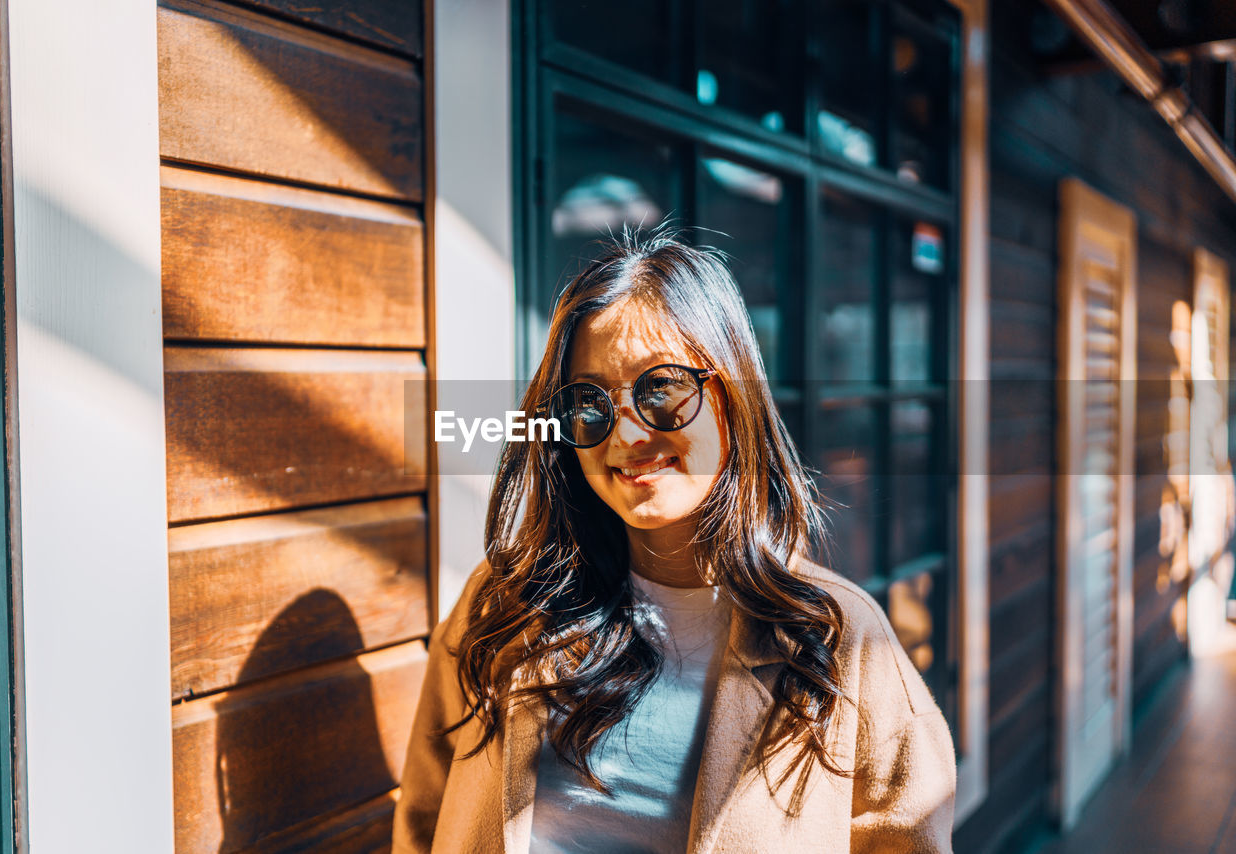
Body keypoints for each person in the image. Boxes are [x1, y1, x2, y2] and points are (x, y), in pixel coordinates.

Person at [393, 227, 957, 854]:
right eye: (589, 401)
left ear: (734, 394)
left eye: (660, 389)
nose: (626, 435)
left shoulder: (843, 639)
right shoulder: (503, 606)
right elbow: (425, 815)